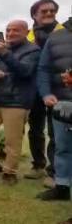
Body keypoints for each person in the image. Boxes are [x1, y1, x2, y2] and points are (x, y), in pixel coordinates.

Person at [0, 20, 40, 185]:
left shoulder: (33, 50)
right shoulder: (0, 48)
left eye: (16, 30)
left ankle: (10, 172)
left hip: (17, 101)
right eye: (8, 30)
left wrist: (5, 54)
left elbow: (25, 71)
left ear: (26, 32)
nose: (11, 33)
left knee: (12, 139)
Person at [25, 0, 63, 186]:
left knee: (56, 130)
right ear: (34, 15)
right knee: (35, 129)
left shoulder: (64, 32)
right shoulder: (29, 35)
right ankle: (38, 164)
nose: (49, 14)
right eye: (44, 11)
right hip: (34, 88)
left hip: (58, 88)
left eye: (52, 11)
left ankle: (54, 171)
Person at [36, 15, 72, 201]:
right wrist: (46, 93)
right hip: (62, 103)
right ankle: (62, 187)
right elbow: (43, 69)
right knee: (62, 148)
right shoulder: (56, 37)